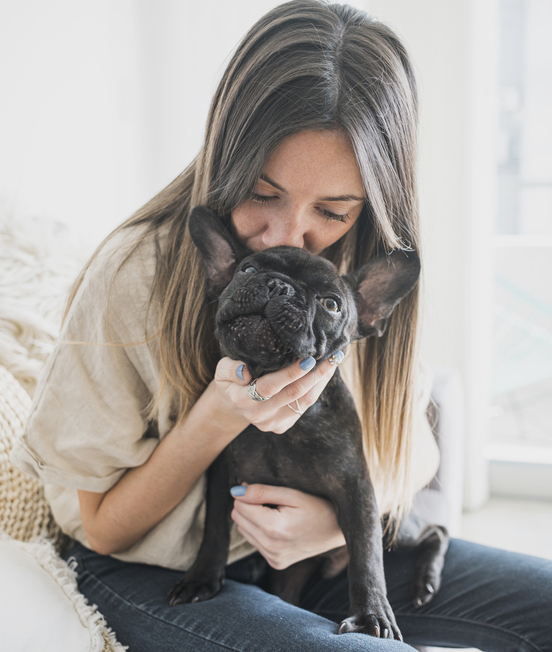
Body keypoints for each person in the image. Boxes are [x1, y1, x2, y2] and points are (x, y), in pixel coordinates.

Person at [12, 1, 551, 650]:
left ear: (371, 210)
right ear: (225, 156)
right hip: (155, 570)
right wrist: (218, 415)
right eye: (263, 193)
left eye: (331, 209)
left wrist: (332, 525)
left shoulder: (352, 280)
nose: (289, 233)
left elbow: (418, 450)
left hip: (308, 552)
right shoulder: (136, 273)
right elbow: (98, 529)